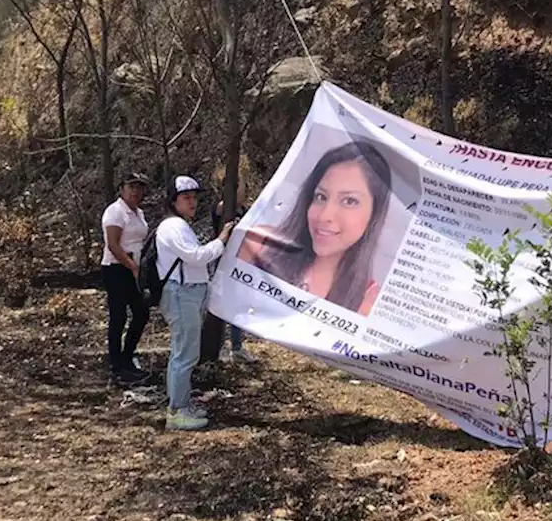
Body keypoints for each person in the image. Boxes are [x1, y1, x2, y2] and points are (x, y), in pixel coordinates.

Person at [237, 141, 392, 316]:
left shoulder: (369, 299)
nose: (325, 215)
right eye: (321, 197)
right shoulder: (258, 245)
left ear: (374, 213)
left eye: (349, 201)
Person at [157, 175, 235, 431]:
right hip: (181, 294)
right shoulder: (173, 227)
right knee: (184, 353)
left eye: (194, 198)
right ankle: (177, 412)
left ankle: (181, 405)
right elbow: (196, 256)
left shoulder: (180, 225)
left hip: (187, 293)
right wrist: (222, 240)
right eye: (186, 198)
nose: (193, 203)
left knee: (185, 351)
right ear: (173, 201)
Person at [101, 172, 152, 387]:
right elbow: (113, 244)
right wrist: (131, 266)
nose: (135, 191)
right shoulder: (115, 212)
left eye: (139, 187)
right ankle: (117, 365)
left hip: (135, 268)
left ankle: (127, 355)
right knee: (119, 316)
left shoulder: (138, 213)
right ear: (122, 189)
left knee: (141, 313)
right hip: (116, 268)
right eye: (131, 187)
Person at [212, 198, 253, 362]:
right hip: (223, 261)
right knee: (222, 305)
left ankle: (237, 347)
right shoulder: (222, 206)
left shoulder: (247, 210)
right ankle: (221, 346)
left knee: (238, 306)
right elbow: (222, 208)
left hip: (241, 263)